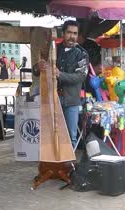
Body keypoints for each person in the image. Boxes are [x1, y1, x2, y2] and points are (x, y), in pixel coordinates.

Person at [36, 20, 89, 148]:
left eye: (75, 33)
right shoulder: (53, 50)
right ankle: (54, 163)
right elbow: (37, 72)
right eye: (69, 32)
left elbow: (80, 77)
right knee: (51, 134)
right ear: (63, 33)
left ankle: (69, 165)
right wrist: (38, 67)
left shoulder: (82, 54)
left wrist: (60, 74)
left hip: (71, 100)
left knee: (71, 137)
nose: (72, 36)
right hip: (52, 99)